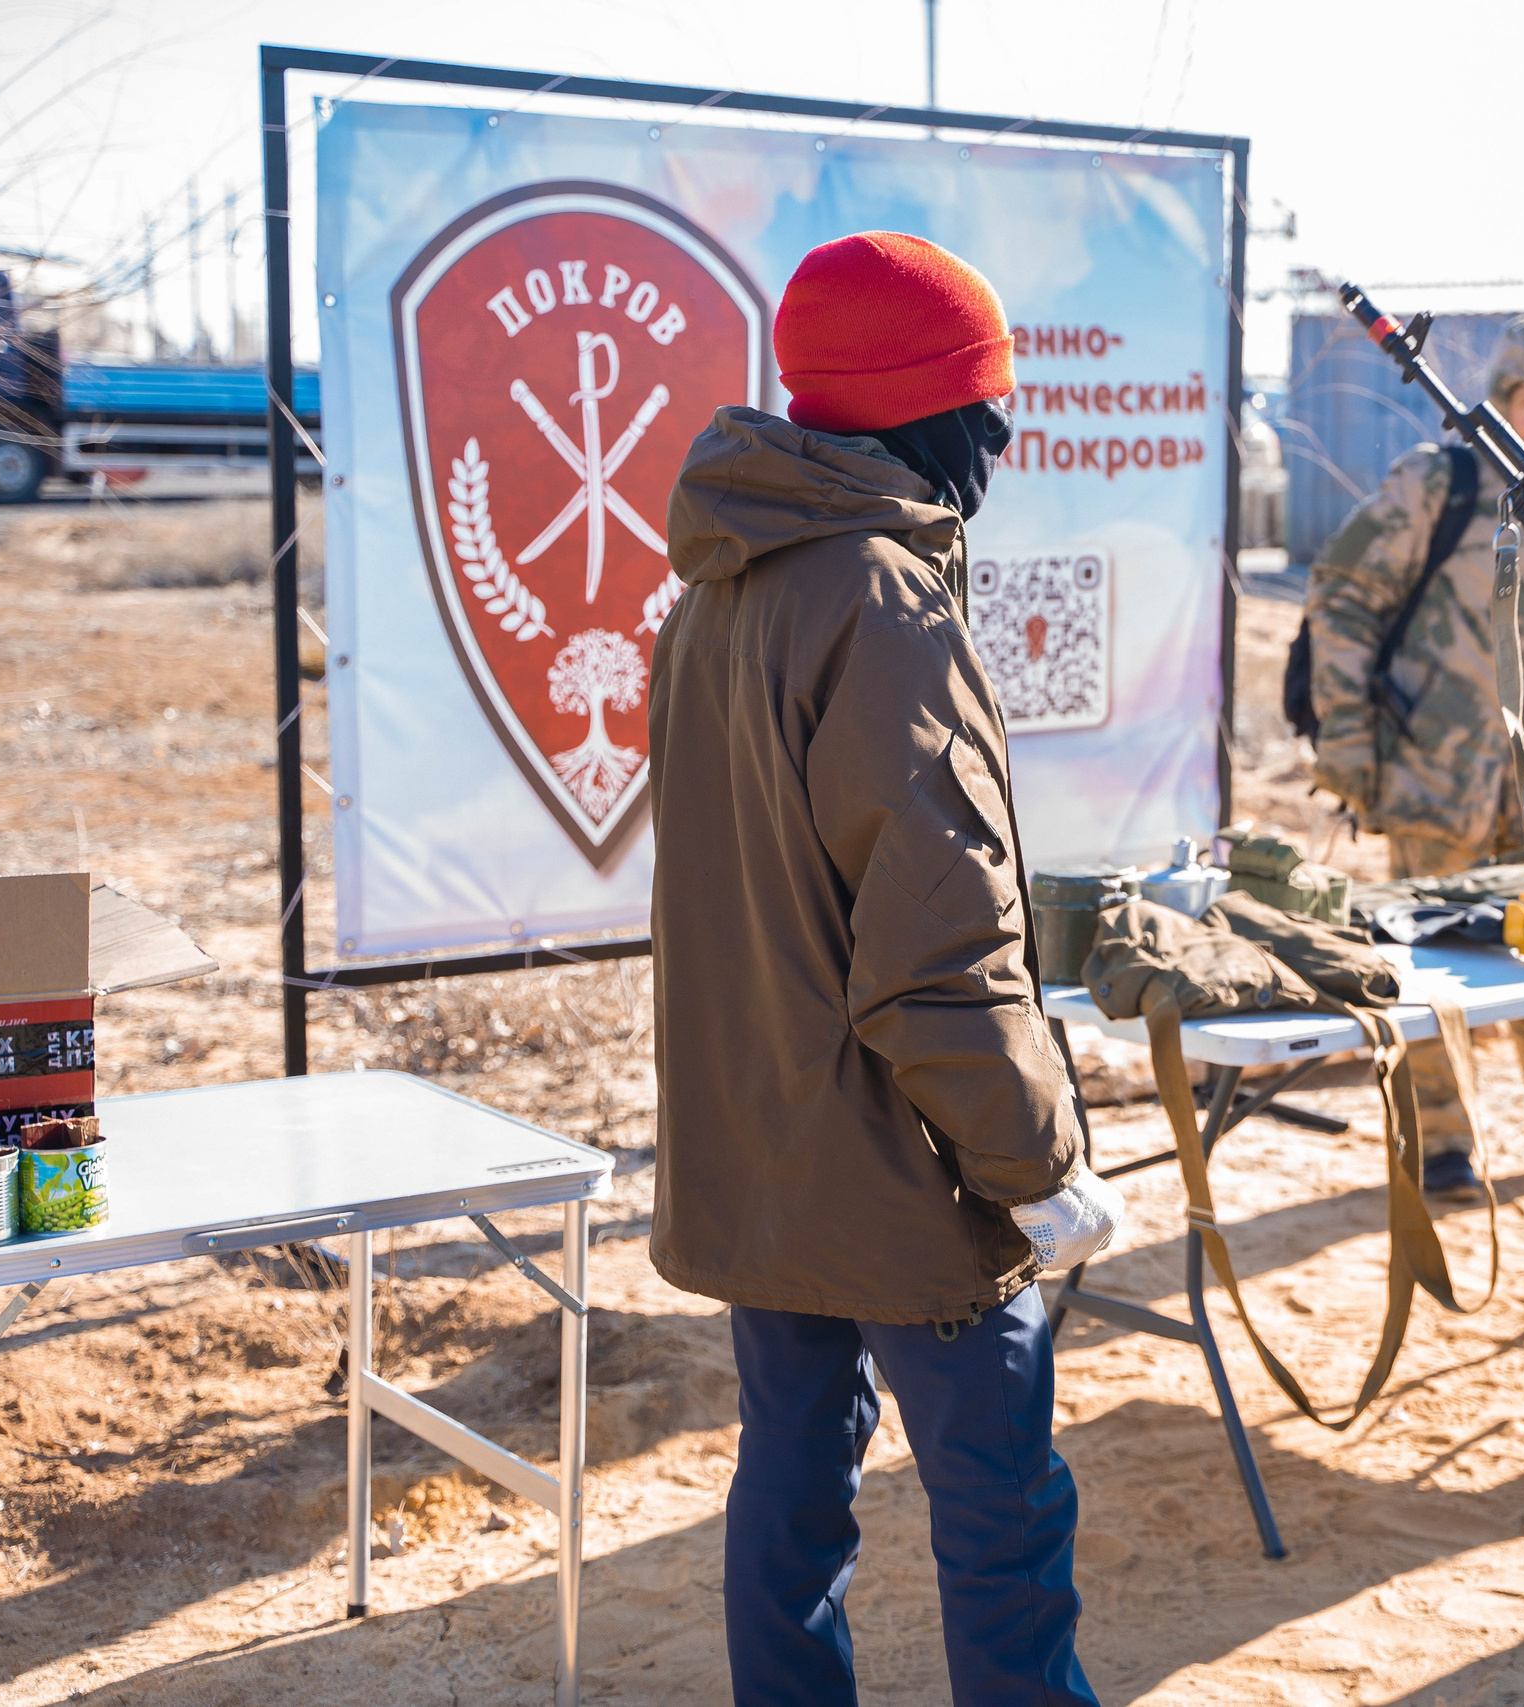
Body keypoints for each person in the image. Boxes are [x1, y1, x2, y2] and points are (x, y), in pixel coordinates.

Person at [649, 231, 1123, 1707]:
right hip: (904, 1168)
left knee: (790, 1492)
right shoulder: (884, 601)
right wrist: (1034, 1165)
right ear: (924, 407)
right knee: (1004, 1512)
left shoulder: (722, 587)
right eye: (985, 400)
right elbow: (938, 950)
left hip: (762, 1145)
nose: (1002, 434)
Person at [1305, 315, 1524, 1195]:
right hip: (1434, 773)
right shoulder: (1438, 484)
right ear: (1501, 402)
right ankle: (1440, 1144)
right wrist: (1349, 743)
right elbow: (1343, 596)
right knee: (1429, 964)